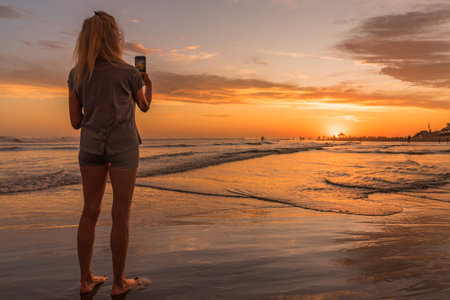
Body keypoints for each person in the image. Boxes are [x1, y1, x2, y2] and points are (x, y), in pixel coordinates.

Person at [67, 10, 152, 296]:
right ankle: (118, 283)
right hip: (123, 148)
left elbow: (75, 121)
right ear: (114, 39)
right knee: (121, 215)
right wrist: (147, 85)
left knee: (89, 212)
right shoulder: (129, 73)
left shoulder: (77, 74)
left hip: (90, 148)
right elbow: (144, 106)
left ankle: (85, 280)